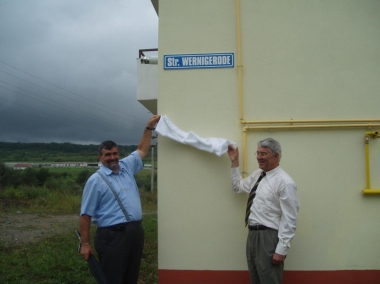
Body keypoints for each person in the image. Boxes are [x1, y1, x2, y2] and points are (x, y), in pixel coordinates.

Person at [79, 115, 160, 284]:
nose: (112, 157)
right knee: (113, 278)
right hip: (112, 236)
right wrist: (85, 243)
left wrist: (149, 127)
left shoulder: (126, 166)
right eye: (107, 154)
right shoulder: (96, 180)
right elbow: (85, 215)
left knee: (131, 277)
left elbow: (142, 149)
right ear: (100, 157)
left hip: (135, 233)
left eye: (115, 153)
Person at [227, 138, 300, 284]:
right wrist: (234, 162)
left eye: (263, 154)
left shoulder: (284, 182)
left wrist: (282, 249)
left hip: (269, 238)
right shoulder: (258, 175)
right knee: (256, 280)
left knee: (269, 280)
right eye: (258, 153)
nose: (259, 157)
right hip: (253, 236)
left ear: (275, 156)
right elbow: (238, 187)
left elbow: (290, 218)